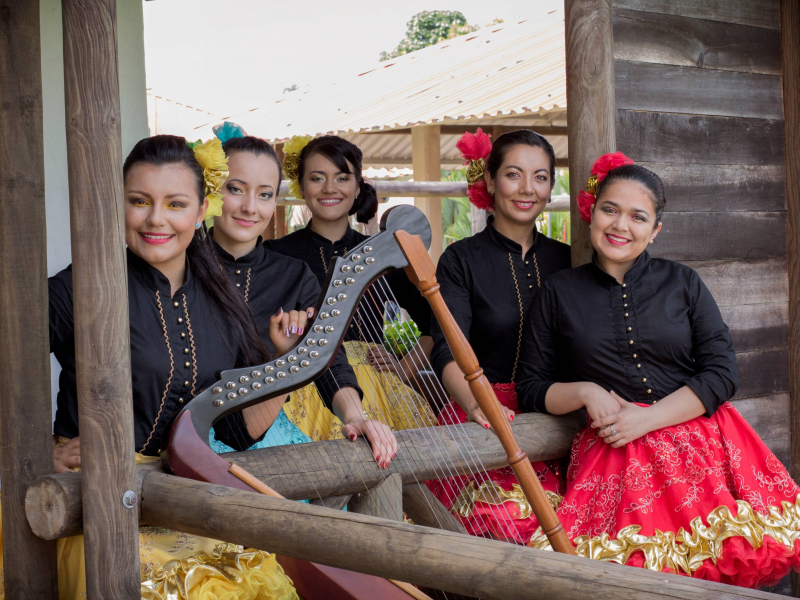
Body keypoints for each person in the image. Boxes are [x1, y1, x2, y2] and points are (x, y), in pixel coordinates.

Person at [517, 152, 800, 588]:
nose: (620, 225)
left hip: (706, 448)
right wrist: (586, 392)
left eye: (637, 216)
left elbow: (722, 372)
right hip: (616, 460)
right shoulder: (558, 293)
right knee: (627, 582)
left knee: (725, 572)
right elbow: (531, 387)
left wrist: (646, 418)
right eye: (610, 209)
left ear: (655, 231)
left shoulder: (683, 282)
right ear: (592, 212)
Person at [47, 134, 302, 600]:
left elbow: (240, 433)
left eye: (175, 203)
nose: (156, 219)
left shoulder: (222, 298)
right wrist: (38, 454)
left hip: (190, 506)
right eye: (139, 201)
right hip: (100, 510)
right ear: (117, 204)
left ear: (203, 208)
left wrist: (285, 362)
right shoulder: (78, 288)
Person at [206, 123, 397, 460]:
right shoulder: (182, 267)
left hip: (262, 432)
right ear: (210, 189)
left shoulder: (294, 275)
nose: (251, 207)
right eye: (235, 189)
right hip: (186, 434)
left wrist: (356, 417)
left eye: (264, 194)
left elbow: (327, 355)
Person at [424, 129, 571, 544]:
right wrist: (477, 404)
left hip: (559, 412)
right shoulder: (461, 260)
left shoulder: (570, 259)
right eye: (513, 174)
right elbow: (448, 353)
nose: (528, 188)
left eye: (541, 177)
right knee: (505, 528)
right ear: (489, 181)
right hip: (485, 412)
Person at [265, 135, 436, 435]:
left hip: (380, 390)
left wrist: (404, 368)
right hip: (302, 389)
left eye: (342, 178)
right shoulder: (276, 254)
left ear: (357, 187)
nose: (330, 188)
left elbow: (436, 322)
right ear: (302, 187)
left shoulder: (383, 254)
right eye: (317, 178)